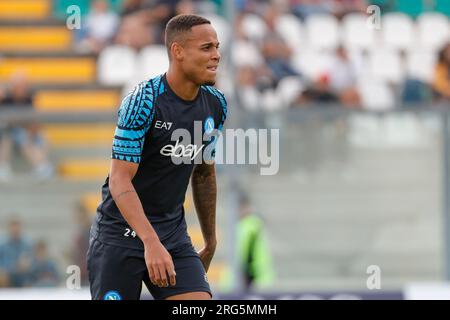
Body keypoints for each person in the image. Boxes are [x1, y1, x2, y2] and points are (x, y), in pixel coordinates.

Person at [88, 14, 227, 300]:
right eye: (206, 48)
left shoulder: (216, 104)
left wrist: (210, 240)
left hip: (172, 237)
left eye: (217, 47)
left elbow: (203, 173)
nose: (216, 55)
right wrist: (149, 242)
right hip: (119, 238)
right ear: (178, 52)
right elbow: (119, 178)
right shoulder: (144, 101)